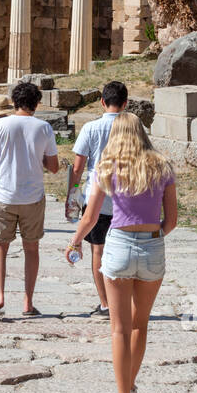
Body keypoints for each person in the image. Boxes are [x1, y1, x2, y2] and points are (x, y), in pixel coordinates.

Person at [68, 112, 177, 393]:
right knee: (139, 325)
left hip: (118, 245)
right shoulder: (162, 167)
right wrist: (151, 236)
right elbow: (172, 221)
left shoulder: (107, 167)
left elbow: (89, 218)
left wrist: (75, 243)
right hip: (153, 245)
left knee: (118, 327)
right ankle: (129, 385)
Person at [0, 81, 59, 319]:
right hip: (32, 196)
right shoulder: (44, 128)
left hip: (5, 195)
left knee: (0, 246)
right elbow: (53, 168)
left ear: (14, 102)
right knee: (31, 249)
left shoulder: (0, 125)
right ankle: (28, 302)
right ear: (37, 103)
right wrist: (39, 157)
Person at [70, 81, 128, 318]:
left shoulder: (91, 128)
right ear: (125, 103)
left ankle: (105, 303)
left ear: (102, 102)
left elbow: (77, 167)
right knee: (124, 250)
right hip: (127, 199)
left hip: (96, 197)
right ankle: (122, 301)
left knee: (98, 251)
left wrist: (73, 192)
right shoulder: (134, 128)